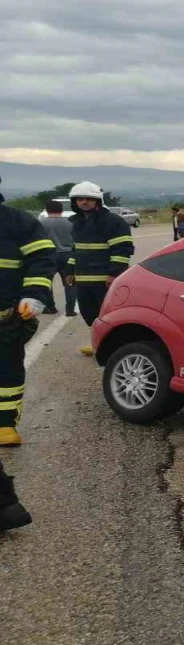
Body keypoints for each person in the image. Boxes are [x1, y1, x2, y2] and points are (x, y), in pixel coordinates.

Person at [0, 173, 56, 455]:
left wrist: (34, 295)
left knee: (6, 371)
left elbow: (42, 260)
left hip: (6, 317)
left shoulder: (18, 222)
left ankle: (4, 424)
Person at [67, 181, 133, 356]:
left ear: (98, 200)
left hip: (104, 280)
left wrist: (113, 274)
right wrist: (69, 271)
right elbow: (75, 249)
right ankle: (98, 343)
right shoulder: (76, 222)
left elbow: (122, 249)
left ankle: (115, 347)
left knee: (109, 316)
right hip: (82, 279)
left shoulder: (112, 222)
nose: (84, 202)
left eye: (88, 199)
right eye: (80, 199)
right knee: (89, 315)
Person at [39, 200, 76, 317]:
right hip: (67, 255)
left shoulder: (41, 223)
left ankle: (50, 307)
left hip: (48, 255)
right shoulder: (70, 223)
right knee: (69, 282)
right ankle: (70, 310)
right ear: (61, 210)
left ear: (47, 209)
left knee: (46, 283)